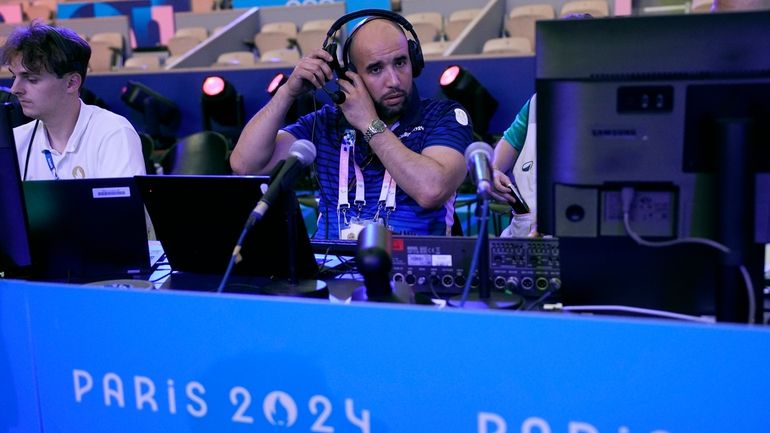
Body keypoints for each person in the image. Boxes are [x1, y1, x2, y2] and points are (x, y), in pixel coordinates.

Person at [230, 13, 474, 239]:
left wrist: (368, 123)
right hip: (331, 273)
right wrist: (288, 92)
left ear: (415, 61)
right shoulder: (325, 122)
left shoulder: (445, 116)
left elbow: (431, 190)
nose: (393, 80)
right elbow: (244, 165)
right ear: (349, 77)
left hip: (413, 276)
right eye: (376, 69)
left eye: (400, 62)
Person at [1, 22, 145, 180]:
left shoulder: (113, 133)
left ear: (71, 83)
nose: (15, 89)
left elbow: (123, 205)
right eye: (14, 77)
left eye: (31, 79)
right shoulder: (16, 142)